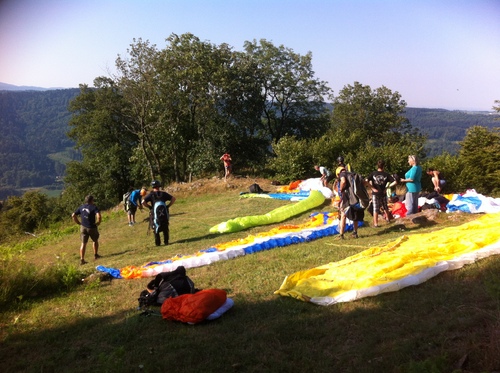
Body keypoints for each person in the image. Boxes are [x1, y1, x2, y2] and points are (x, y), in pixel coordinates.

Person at [142, 180, 176, 246]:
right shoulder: (163, 194)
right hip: (164, 214)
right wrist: (168, 206)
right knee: (165, 226)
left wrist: (149, 207)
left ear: (152, 186)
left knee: (155, 226)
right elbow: (173, 199)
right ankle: (166, 241)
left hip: (155, 214)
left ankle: (158, 243)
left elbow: (143, 202)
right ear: (159, 186)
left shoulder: (151, 195)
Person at [365, 160, 397, 227]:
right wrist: (387, 187)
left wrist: (372, 188)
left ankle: (375, 224)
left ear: (377, 166)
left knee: (375, 208)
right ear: (384, 166)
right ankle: (388, 219)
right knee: (385, 207)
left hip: (375, 193)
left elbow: (366, 180)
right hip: (383, 193)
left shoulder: (373, 173)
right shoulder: (386, 174)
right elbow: (395, 181)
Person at [72, 195, 101, 265]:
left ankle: (82, 259)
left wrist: (78, 222)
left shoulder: (81, 207)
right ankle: (96, 255)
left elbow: (73, 215)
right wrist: (98, 222)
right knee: (95, 240)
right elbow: (98, 216)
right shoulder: (94, 207)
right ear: (91, 200)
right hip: (91, 227)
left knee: (83, 243)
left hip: (83, 227)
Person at [336, 166, 361, 239]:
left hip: (346, 197)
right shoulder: (352, 174)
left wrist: (341, 188)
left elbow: (343, 181)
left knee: (343, 214)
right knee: (355, 215)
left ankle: (341, 235)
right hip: (355, 197)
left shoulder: (342, 174)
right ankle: (355, 233)